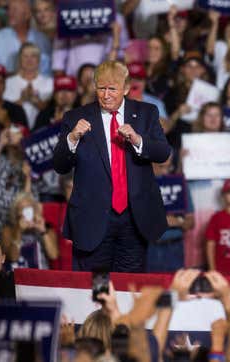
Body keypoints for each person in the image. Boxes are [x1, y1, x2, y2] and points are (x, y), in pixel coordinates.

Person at [53, 60, 172, 272]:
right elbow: (60, 166)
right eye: (101, 88)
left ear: (126, 88)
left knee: (128, 288)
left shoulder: (146, 113)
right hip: (93, 219)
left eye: (112, 89)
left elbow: (163, 153)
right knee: (97, 289)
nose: (106, 95)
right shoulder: (75, 118)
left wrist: (138, 140)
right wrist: (72, 138)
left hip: (134, 219)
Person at [0, 0, 51, 75]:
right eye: (9, 9)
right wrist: (16, 77)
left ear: (27, 14)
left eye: (15, 9)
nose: (10, 13)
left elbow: (48, 74)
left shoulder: (42, 40)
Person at [3, 43, 53, 130]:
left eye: (33, 56)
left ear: (38, 60)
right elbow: (4, 110)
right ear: (20, 59)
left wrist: (35, 101)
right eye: (25, 56)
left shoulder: (50, 82)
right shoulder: (8, 83)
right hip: (15, 131)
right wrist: (22, 99)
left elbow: (52, 110)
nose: (29, 60)